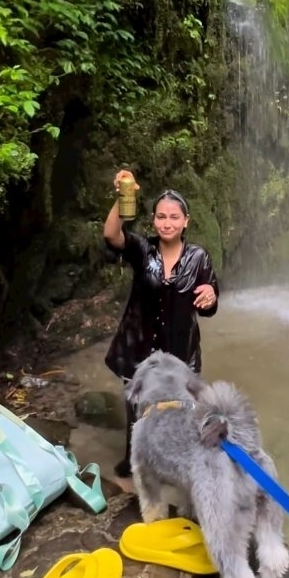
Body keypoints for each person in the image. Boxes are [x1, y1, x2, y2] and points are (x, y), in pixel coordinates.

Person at [103, 169, 219, 477]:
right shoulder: (143, 250)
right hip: (139, 347)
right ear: (153, 220)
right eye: (161, 217)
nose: (167, 223)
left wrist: (210, 293)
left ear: (186, 222)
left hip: (181, 352)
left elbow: (209, 301)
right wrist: (121, 198)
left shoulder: (199, 257)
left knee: (183, 408)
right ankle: (134, 459)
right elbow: (112, 236)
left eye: (174, 217)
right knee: (135, 406)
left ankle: (177, 463)